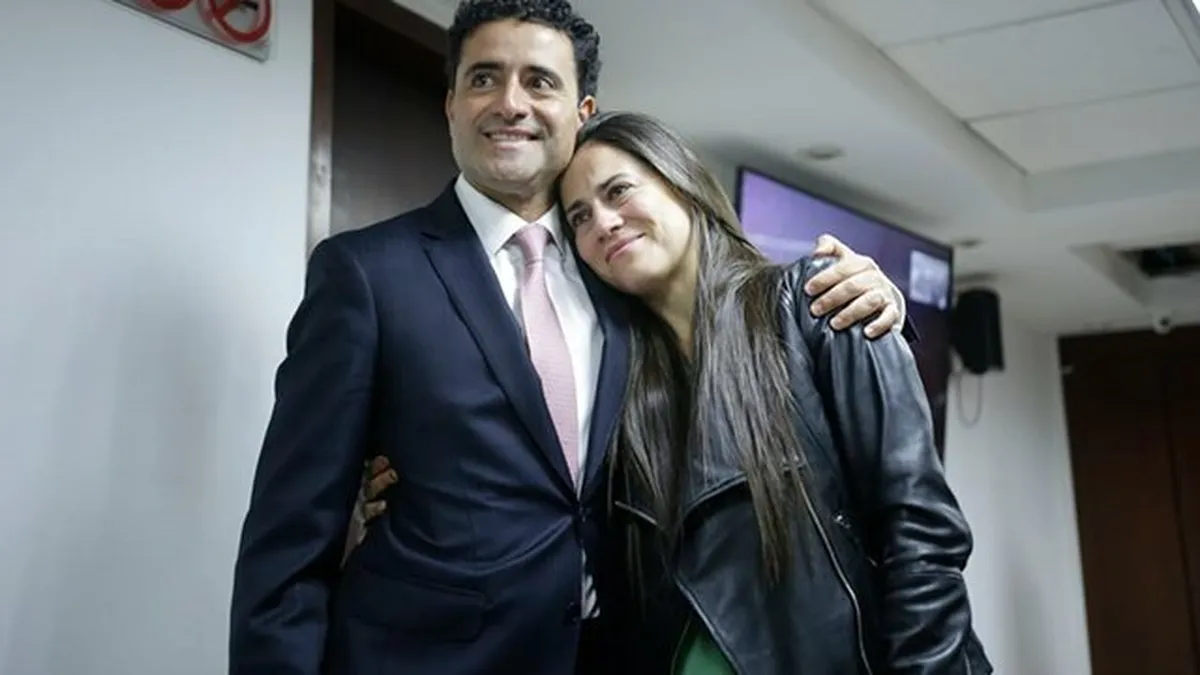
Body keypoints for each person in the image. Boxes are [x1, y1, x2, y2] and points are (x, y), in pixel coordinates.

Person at [227, 1, 911, 674]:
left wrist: (877, 302)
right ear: (452, 104)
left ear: (582, 112)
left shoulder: (619, 272)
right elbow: (291, 534)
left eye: (540, 81)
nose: (510, 103)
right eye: (484, 78)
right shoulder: (367, 272)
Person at [357, 110, 991, 674]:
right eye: (579, 217)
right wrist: (409, 491)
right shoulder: (618, 384)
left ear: (681, 182)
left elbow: (921, 532)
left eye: (618, 191)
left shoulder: (817, 302)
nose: (603, 223)